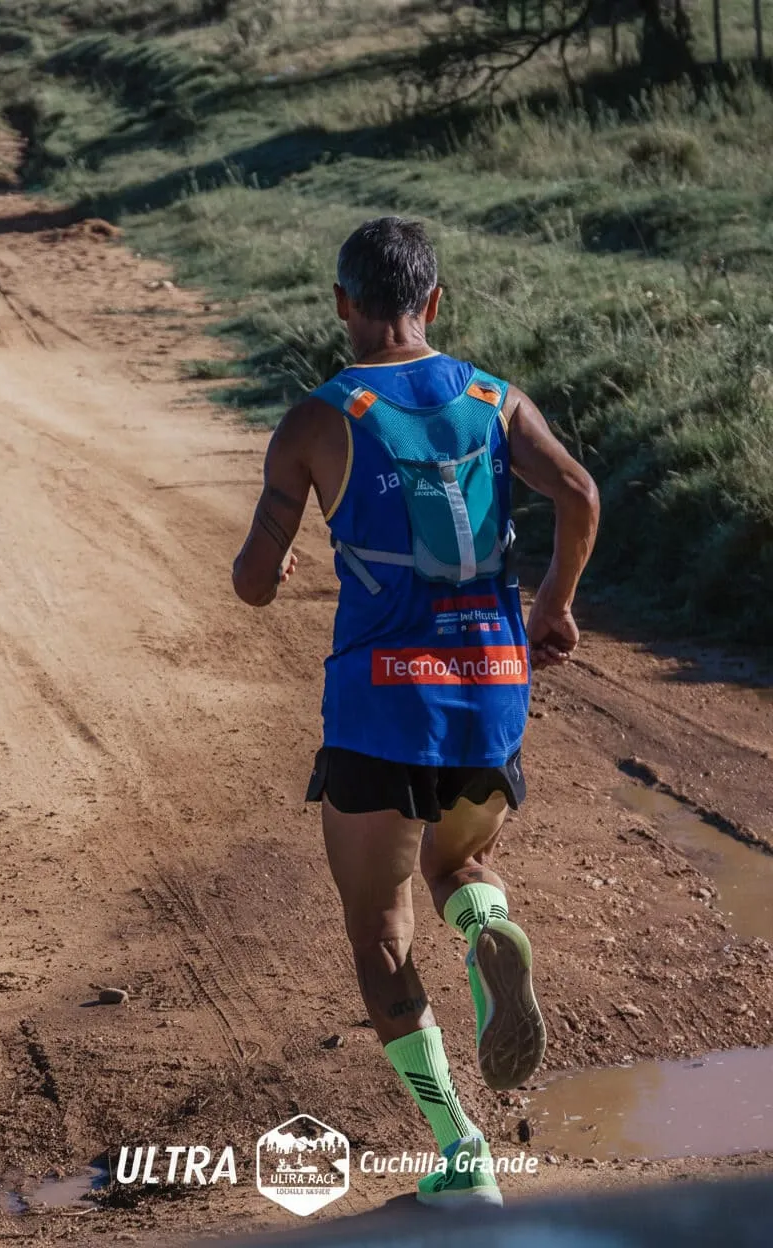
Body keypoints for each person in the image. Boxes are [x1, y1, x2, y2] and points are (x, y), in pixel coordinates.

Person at [233, 217, 599, 1208]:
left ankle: (460, 1149)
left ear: (342, 304)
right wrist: (554, 607)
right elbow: (576, 492)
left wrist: (280, 557)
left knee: (378, 931)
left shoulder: (319, 417)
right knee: (458, 864)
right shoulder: (494, 398)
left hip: (378, 706)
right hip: (490, 692)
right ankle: (486, 923)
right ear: (432, 304)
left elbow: (254, 585)